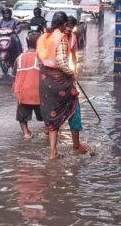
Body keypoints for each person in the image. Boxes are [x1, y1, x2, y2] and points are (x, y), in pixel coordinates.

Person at [37, 11, 78, 159]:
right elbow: (61, 62)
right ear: (64, 24)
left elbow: (39, 60)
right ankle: (77, 144)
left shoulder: (43, 38)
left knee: (51, 115)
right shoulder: (59, 38)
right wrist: (71, 72)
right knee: (74, 100)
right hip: (59, 82)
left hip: (44, 81)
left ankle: (52, 152)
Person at [12, 34, 42, 139]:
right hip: (38, 92)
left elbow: (14, 76)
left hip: (22, 92)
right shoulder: (40, 56)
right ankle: (47, 132)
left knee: (22, 117)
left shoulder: (19, 58)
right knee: (46, 116)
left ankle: (26, 133)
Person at [65, 15, 87, 154]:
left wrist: (74, 71)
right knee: (74, 109)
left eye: (71, 27)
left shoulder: (72, 38)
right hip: (59, 77)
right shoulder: (56, 39)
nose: (69, 29)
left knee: (74, 109)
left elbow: (73, 56)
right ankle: (76, 145)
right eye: (67, 26)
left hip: (66, 75)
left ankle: (76, 145)